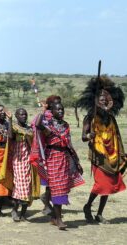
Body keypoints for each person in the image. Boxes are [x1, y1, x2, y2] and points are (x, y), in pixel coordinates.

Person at [76, 76, 126, 224]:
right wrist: (89, 135)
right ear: (95, 99)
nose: (103, 100)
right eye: (101, 98)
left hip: (112, 156)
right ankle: (88, 206)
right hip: (99, 155)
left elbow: (117, 137)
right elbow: (83, 137)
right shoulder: (91, 117)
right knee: (101, 185)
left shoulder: (111, 117)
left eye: (106, 98)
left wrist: (122, 154)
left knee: (109, 186)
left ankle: (99, 214)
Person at [35, 102, 84, 230]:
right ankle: (59, 219)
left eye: (62, 109)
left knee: (61, 188)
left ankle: (54, 217)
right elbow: (37, 124)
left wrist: (76, 162)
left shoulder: (65, 125)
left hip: (64, 157)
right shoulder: (48, 124)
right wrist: (43, 110)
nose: (61, 111)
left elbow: (69, 144)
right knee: (57, 188)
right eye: (58, 109)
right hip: (52, 158)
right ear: (52, 111)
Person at [30, 95, 62, 216]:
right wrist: (43, 112)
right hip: (46, 152)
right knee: (50, 180)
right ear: (49, 106)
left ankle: (48, 203)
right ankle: (47, 203)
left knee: (53, 181)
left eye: (59, 103)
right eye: (55, 104)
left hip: (59, 153)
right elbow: (36, 126)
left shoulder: (58, 118)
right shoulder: (45, 117)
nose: (58, 106)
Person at [9, 108, 40, 222]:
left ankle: (22, 214)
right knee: (19, 186)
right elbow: (10, 136)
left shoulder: (29, 128)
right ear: (16, 116)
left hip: (29, 160)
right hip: (18, 160)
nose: (24, 116)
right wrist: (10, 119)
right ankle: (14, 210)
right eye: (21, 114)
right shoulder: (14, 127)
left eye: (25, 114)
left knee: (28, 186)